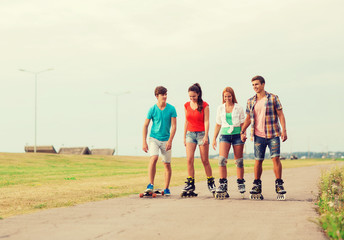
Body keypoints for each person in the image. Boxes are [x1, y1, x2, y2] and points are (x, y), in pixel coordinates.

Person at [241, 75, 287, 200]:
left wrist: (284, 130)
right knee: (258, 160)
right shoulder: (250, 101)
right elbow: (247, 119)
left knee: (275, 158)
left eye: (257, 84)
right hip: (258, 136)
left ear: (263, 84)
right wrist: (242, 130)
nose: (255, 87)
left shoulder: (273, 98)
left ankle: (279, 184)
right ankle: (256, 185)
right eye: (253, 85)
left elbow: (281, 115)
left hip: (273, 134)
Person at [181, 83, 215, 197]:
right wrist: (184, 136)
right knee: (189, 159)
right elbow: (186, 121)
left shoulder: (205, 105)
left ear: (198, 94)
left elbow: (206, 121)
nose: (192, 98)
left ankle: (211, 182)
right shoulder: (186, 105)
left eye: (194, 96)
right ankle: (190, 183)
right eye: (190, 96)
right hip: (190, 134)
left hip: (201, 134)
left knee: (204, 160)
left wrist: (206, 135)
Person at [142, 86, 177, 196]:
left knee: (167, 164)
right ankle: (151, 184)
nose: (165, 96)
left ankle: (166, 188)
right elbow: (145, 125)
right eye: (163, 94)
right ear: (157, 96)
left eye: (166, 94)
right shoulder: (152, 109)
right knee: (154, 157)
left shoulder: (171, 109)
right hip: (154, 139)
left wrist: (170, 141)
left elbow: (174, 126)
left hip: (166, 140)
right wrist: (144, 141)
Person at [212, 87, 246, 199]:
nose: (227, 98)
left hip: (237, 135)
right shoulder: (220, 108)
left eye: (229, 96)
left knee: (239, 161)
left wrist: (243, 134)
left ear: (232, 96)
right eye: (225, 96)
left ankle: (240, 182)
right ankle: (223, 183)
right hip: (225, 135)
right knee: (222, 160)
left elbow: (242, 123)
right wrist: (214, 138)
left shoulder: (239, 108)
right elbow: (218, 124)